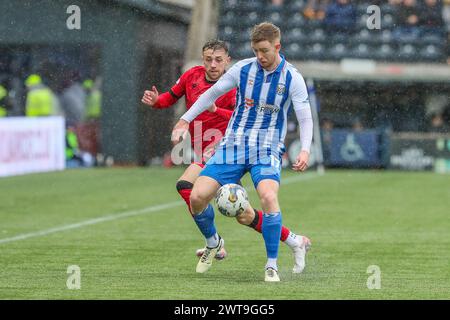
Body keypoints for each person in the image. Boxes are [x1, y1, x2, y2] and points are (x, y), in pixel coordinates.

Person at [142, 39, 309, 272]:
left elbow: (243, 117)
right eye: (208, 59)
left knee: (186, 186)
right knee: (244, 214)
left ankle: (214, 243)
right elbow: (171, 97)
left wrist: (216, 113)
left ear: (227, 61)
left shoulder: (236, 82)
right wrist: (157, 102)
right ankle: (293, 240)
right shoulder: (191, 76)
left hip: (227, 148)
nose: (213, 65)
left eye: (218, 60)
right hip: (207, 149)